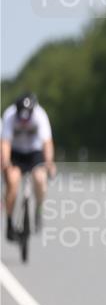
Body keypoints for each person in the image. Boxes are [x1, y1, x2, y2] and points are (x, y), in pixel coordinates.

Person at [1, 93, 56, 240]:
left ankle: (38, 209)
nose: (24, 122)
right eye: (22, 118)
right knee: (12, 181)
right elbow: (5, 143)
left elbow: (47, 143)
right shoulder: (10, 115)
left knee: (40, 179)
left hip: (34, 152)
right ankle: (9, 222)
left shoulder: (40, 115)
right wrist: (5, 164)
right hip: (16, 152)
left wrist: (49, 163)